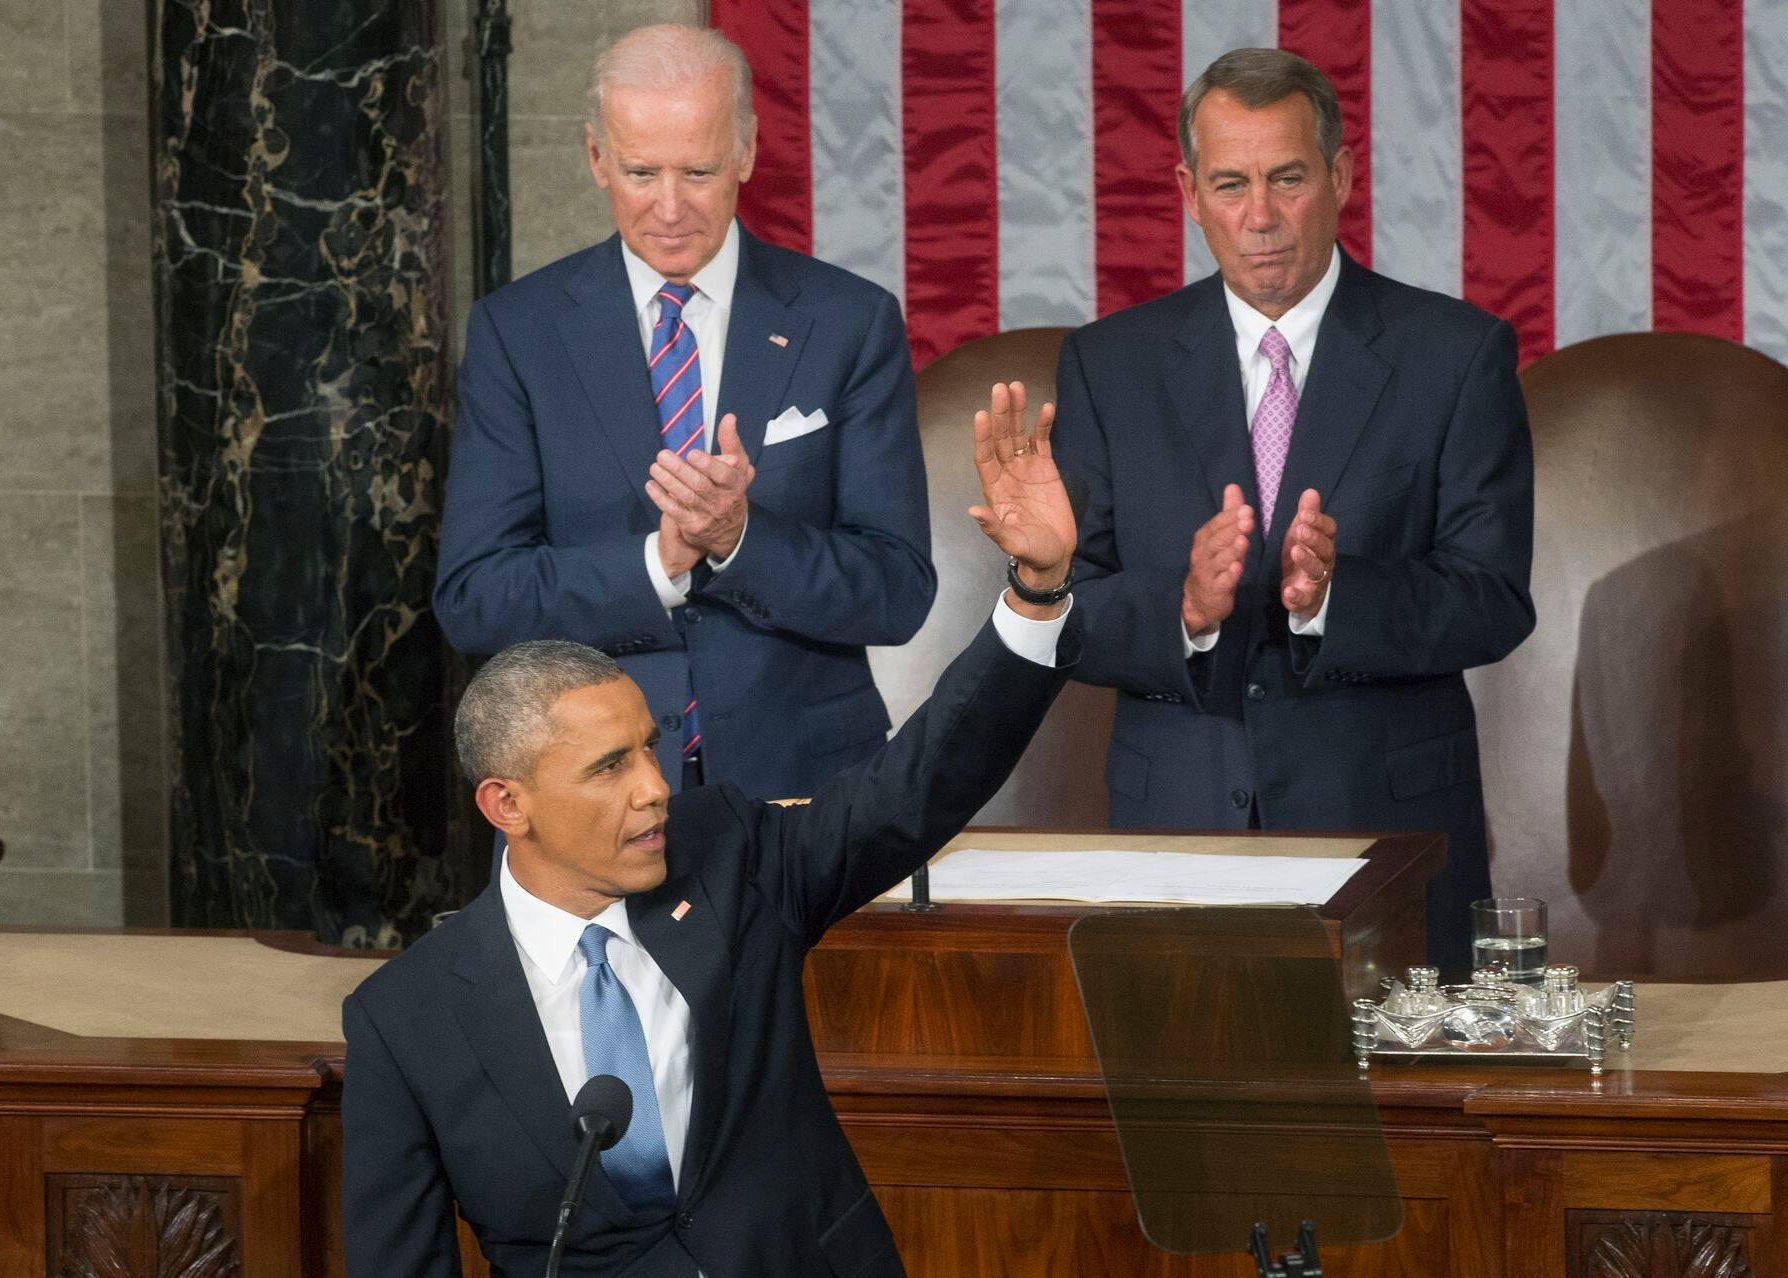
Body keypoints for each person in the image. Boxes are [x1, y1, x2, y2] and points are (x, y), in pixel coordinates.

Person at [344, 385, 1077, 1276]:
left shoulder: (731, 856)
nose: (656, 789)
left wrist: (1036, 593)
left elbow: (915, 787)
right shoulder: (404, 1020)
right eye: (608, 768)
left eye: (648, 751)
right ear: (507, 806)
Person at [1052, 48, 1535, 970]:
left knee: (1399, 1114)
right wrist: (1183, 611)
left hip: (1385, 834)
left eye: (1287, 179)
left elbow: (1494, 598)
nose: (1261, 217)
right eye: (1231, 184)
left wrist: (1332, 600)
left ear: (1341, 176)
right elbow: (1069, 612)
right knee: (1192, 1109)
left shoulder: (1455, 356)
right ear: (1190, 193)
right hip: (1178, 834)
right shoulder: (1109, 366)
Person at [433, 23, 935, 800]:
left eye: (698, 171)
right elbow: (475, 599)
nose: (669, 207)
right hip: (584, 797)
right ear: (597, 159)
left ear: (746, 153)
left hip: (804, 790)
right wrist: (658, 565)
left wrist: (740, 538)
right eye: (641, 172)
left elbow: (896, 591)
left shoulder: (849, 322)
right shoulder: (517, 333)